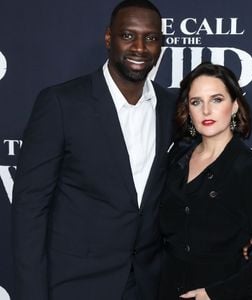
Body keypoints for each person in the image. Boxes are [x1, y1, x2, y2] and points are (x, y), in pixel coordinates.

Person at [11, 1, 176, 299]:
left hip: (147, 284)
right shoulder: (62, 103)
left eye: (151, 38)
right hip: (75, 284)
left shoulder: (170, 108)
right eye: (128, 35)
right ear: (108, 38)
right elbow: (29, 207)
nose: (140, 47)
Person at [159, 62, 252, 300]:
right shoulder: (175, 159)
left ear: (234, 106)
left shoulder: (251, 171)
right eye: (196, 102)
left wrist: (216, 294)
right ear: (188, 110)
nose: (206, 111)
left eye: (217, 99)